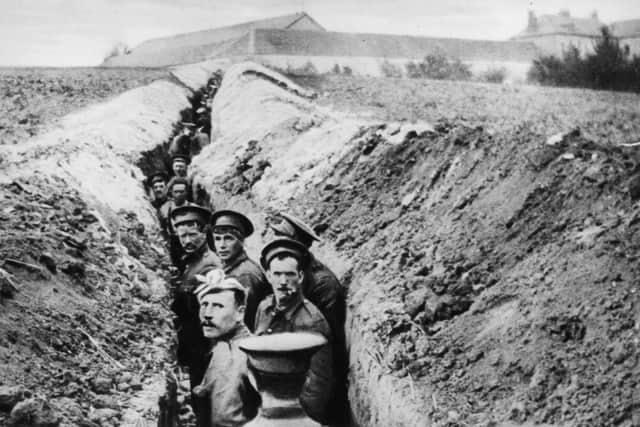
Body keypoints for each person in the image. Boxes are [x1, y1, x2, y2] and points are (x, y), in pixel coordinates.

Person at [269, 213, 350, 425]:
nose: (274, 242)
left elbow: (325, 344)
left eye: (281, 238)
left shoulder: (324, 285)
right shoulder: (288, 271)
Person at [254, 238, 334, 424]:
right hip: (266, 405)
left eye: (289, 275)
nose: (283, 281)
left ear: (300, 276)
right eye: (277, 274)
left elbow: (318, 385)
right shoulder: (264, 308)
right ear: (268, 275)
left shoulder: (311, 321)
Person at [169, 205, 222, 427]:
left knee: (204, 398)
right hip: (194, 343)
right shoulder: (191, 259)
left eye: (192, 234)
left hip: (204, 346)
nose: (187, 240)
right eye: (182, 236)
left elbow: (213, 312)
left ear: (204, 233)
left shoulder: (210, 265)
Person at [193, 272, 260, 427]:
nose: (207, 314)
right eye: (204, 304)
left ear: (240, 313)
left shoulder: (232, 357)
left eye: (218, 306)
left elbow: (224, 420)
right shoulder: (228, 342)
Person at [210, 210, 271, 331]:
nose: (222, 245)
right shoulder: (229, 266)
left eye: (228, 239)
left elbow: (244, 321)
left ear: (241, 241)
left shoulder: (246, 275)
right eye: (217, 239)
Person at [159, 177, 196, 267]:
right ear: (171, 192)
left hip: (191, 242)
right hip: (174, 244)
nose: (178, 194)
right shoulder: (165, 209)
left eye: (181, 192)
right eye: (176, 192)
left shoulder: (195, 209)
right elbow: (162, 228)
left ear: (186, 192)